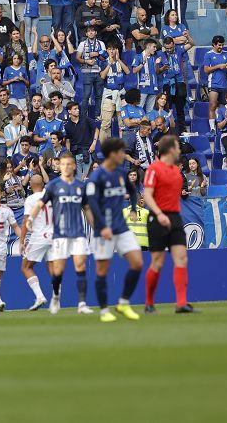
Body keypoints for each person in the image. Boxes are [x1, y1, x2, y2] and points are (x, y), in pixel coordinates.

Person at [26, 152, 93, 315]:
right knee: (57, 271)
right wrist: (30, 219)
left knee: (80, 266)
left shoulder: (81, 186)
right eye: (63, 164)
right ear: (59, 166)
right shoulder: (53, 186)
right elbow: (40, 203)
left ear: (74, 166)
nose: (66, 167)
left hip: (78, 232)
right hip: (59, 234)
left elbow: (87, 208)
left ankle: (82, 303)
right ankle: (55, 297)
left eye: (69, 164)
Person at [85, 137, 143, 322]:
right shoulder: (97, 177)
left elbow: (132, 191)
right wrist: (102, 227)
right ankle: (103, 311)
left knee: (137, 263)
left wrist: (133, 208)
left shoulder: (120, 172)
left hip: (121, 228)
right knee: (102, 271)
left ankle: (123, 303)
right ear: (112, 154)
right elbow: (92, 205)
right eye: (121, 152)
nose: (124, 155)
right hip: (104, 231)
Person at [143, 134, 197, 313]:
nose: (180, 150)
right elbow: (148, 195)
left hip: (175, 218)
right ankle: (149, 302)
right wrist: (159, 214)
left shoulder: (176, 171)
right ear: (170, 149)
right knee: (157, 262)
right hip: (157, 218)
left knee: (182, 258)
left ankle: (181, 303)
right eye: (178, 147)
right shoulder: (154, 169)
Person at [19, 173, 50, 309]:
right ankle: (56, 298)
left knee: (26, 267)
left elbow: (26, 220)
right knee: (53, 268)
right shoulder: (51, 197)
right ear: (43, 184)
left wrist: (22, 240)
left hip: (39, 236)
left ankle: (40, 296)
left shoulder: (31, 199)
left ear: (31, 185)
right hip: (54, 236)